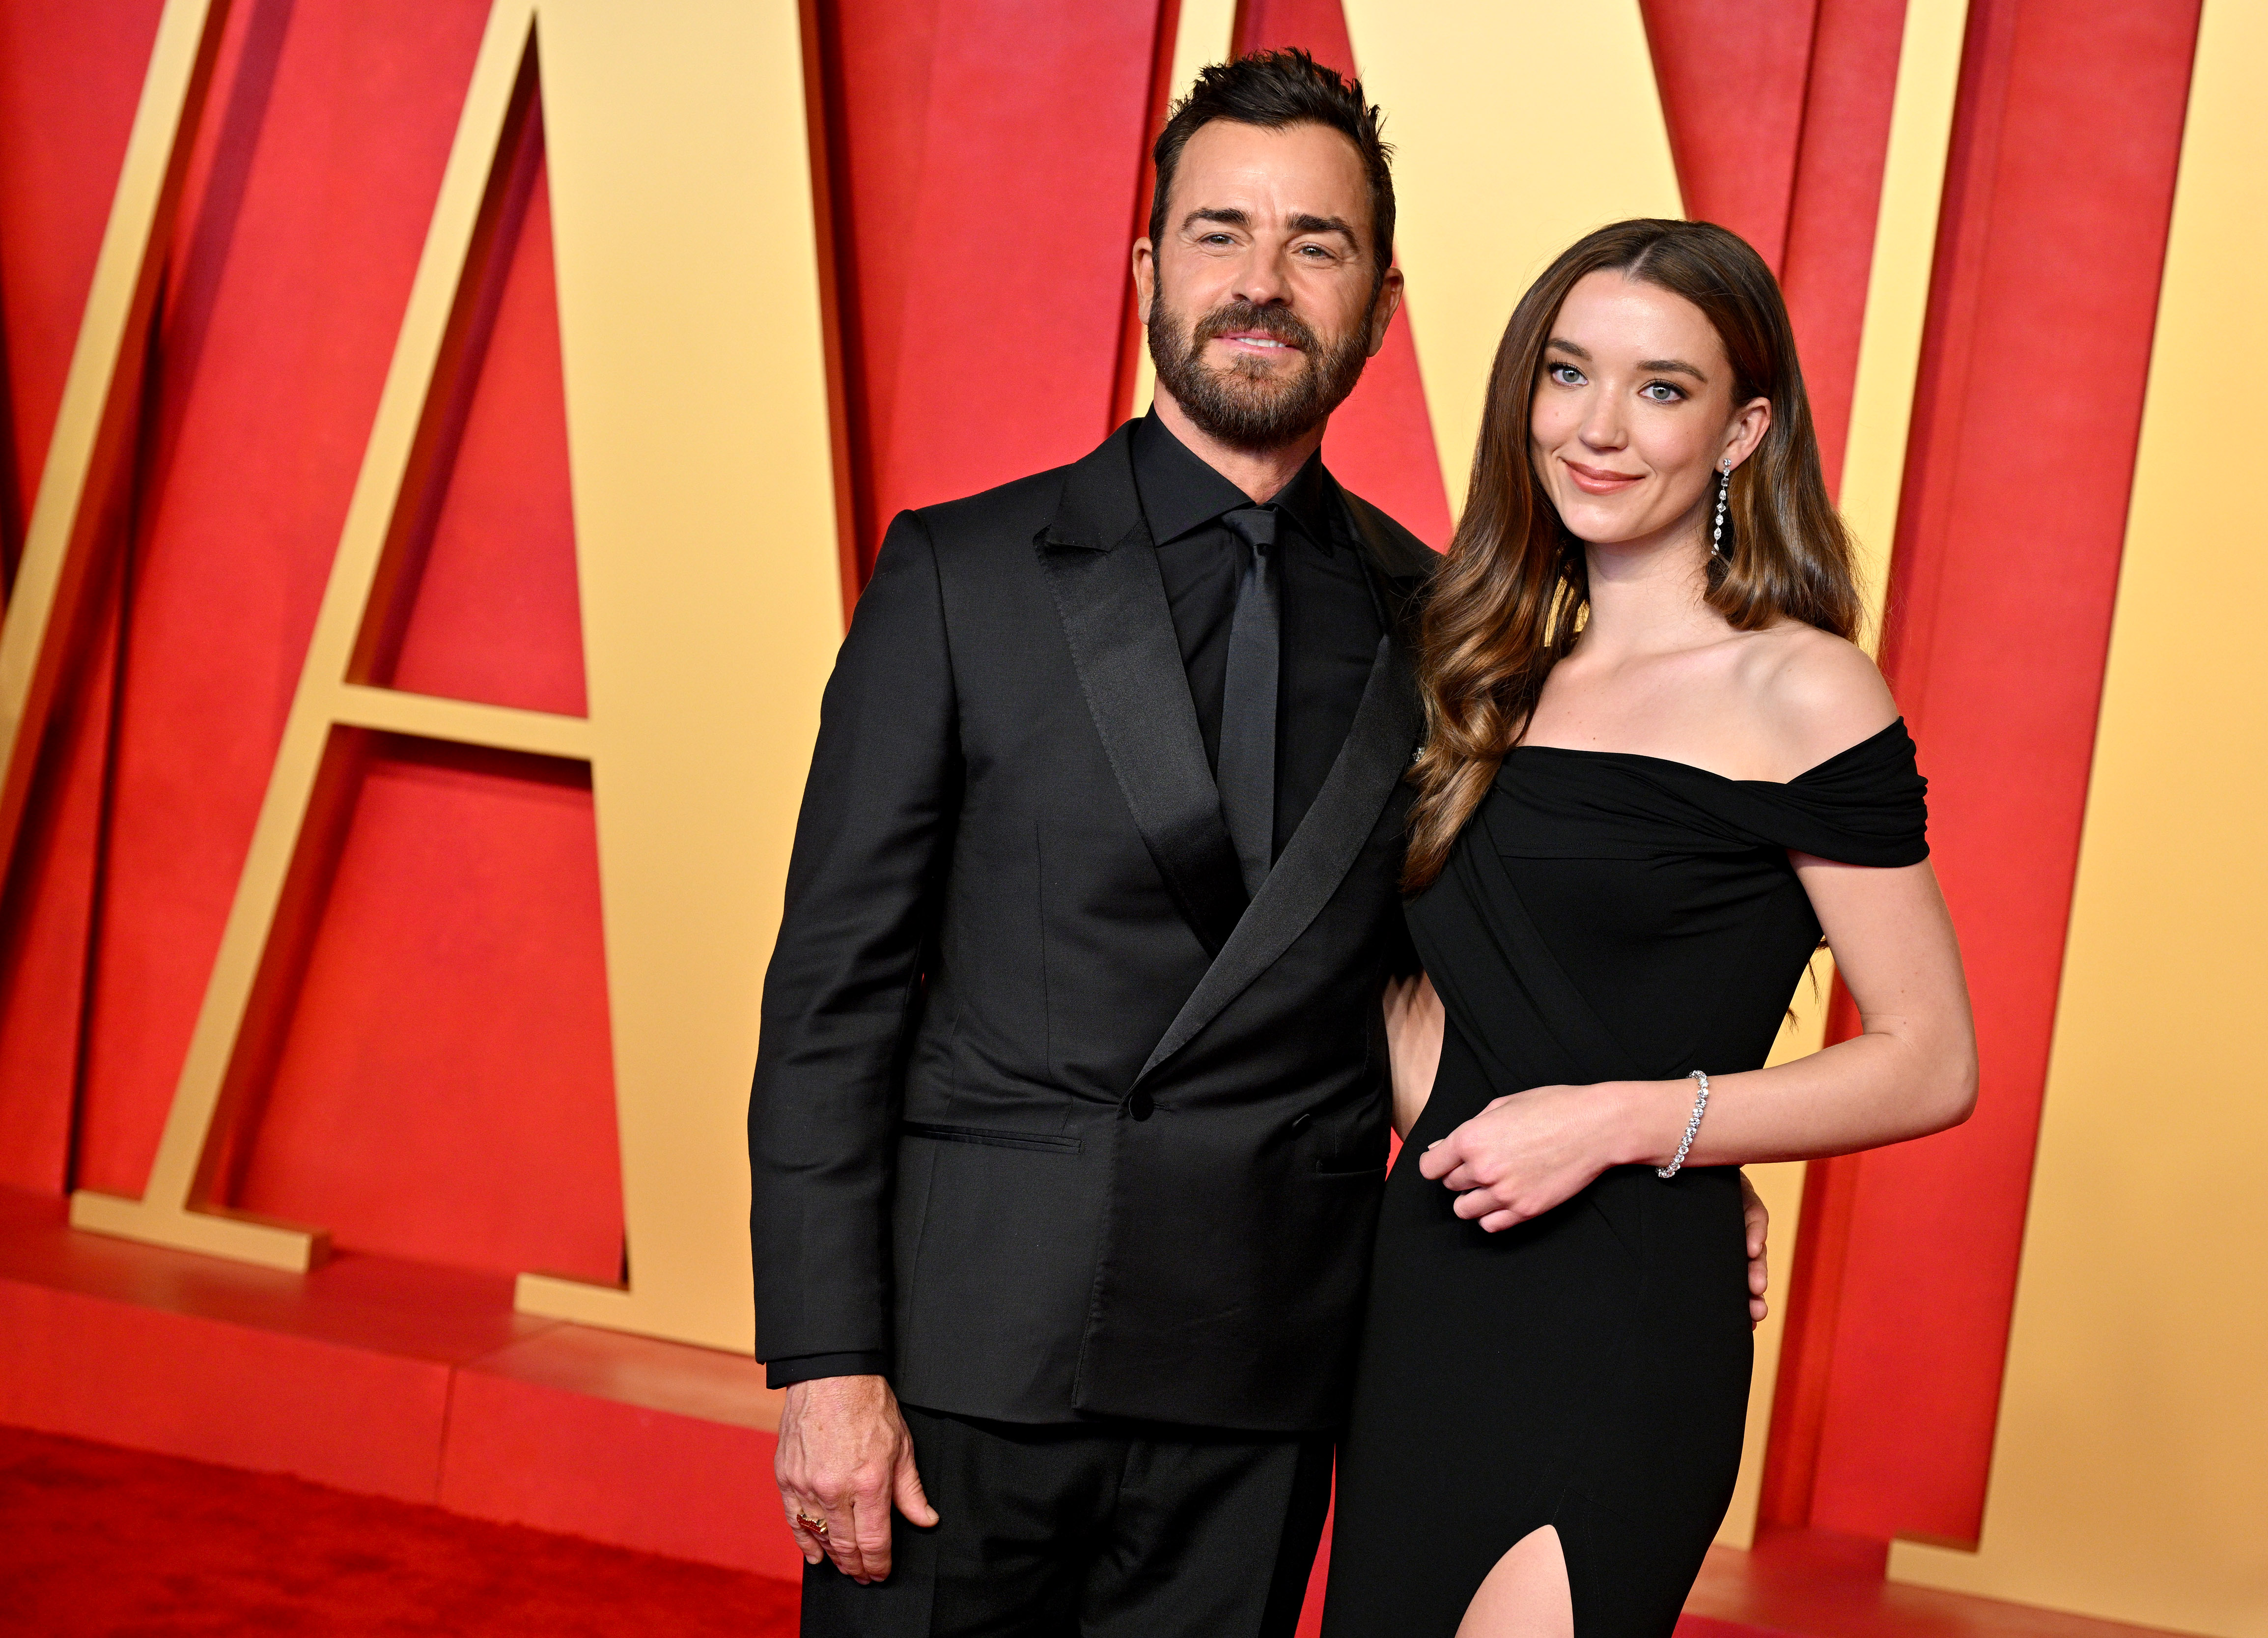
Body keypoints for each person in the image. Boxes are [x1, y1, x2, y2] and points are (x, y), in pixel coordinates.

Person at [749, 53, 1769, 1637]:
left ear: (1379, 301)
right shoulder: (961, 576)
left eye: (1318, 245)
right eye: (1220, 233)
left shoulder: (1451, 628)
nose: (1262, 284)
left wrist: (1665, 1176)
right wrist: (826, 1366)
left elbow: (1474, 978)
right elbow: (833, 996)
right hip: (969, 1369)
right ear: (1150, 269)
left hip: (1265, 1376)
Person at [1321, 218, 1980, 1638]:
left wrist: (1639, 1129)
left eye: (1662, 388)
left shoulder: (1802, 693)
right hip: (1427, 1298)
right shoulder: (1478, 668)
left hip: (1623, 1327)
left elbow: (1933, 1060)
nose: (1600, 427)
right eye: (1569, 374)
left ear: (1744, 431)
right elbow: (1403, 997)